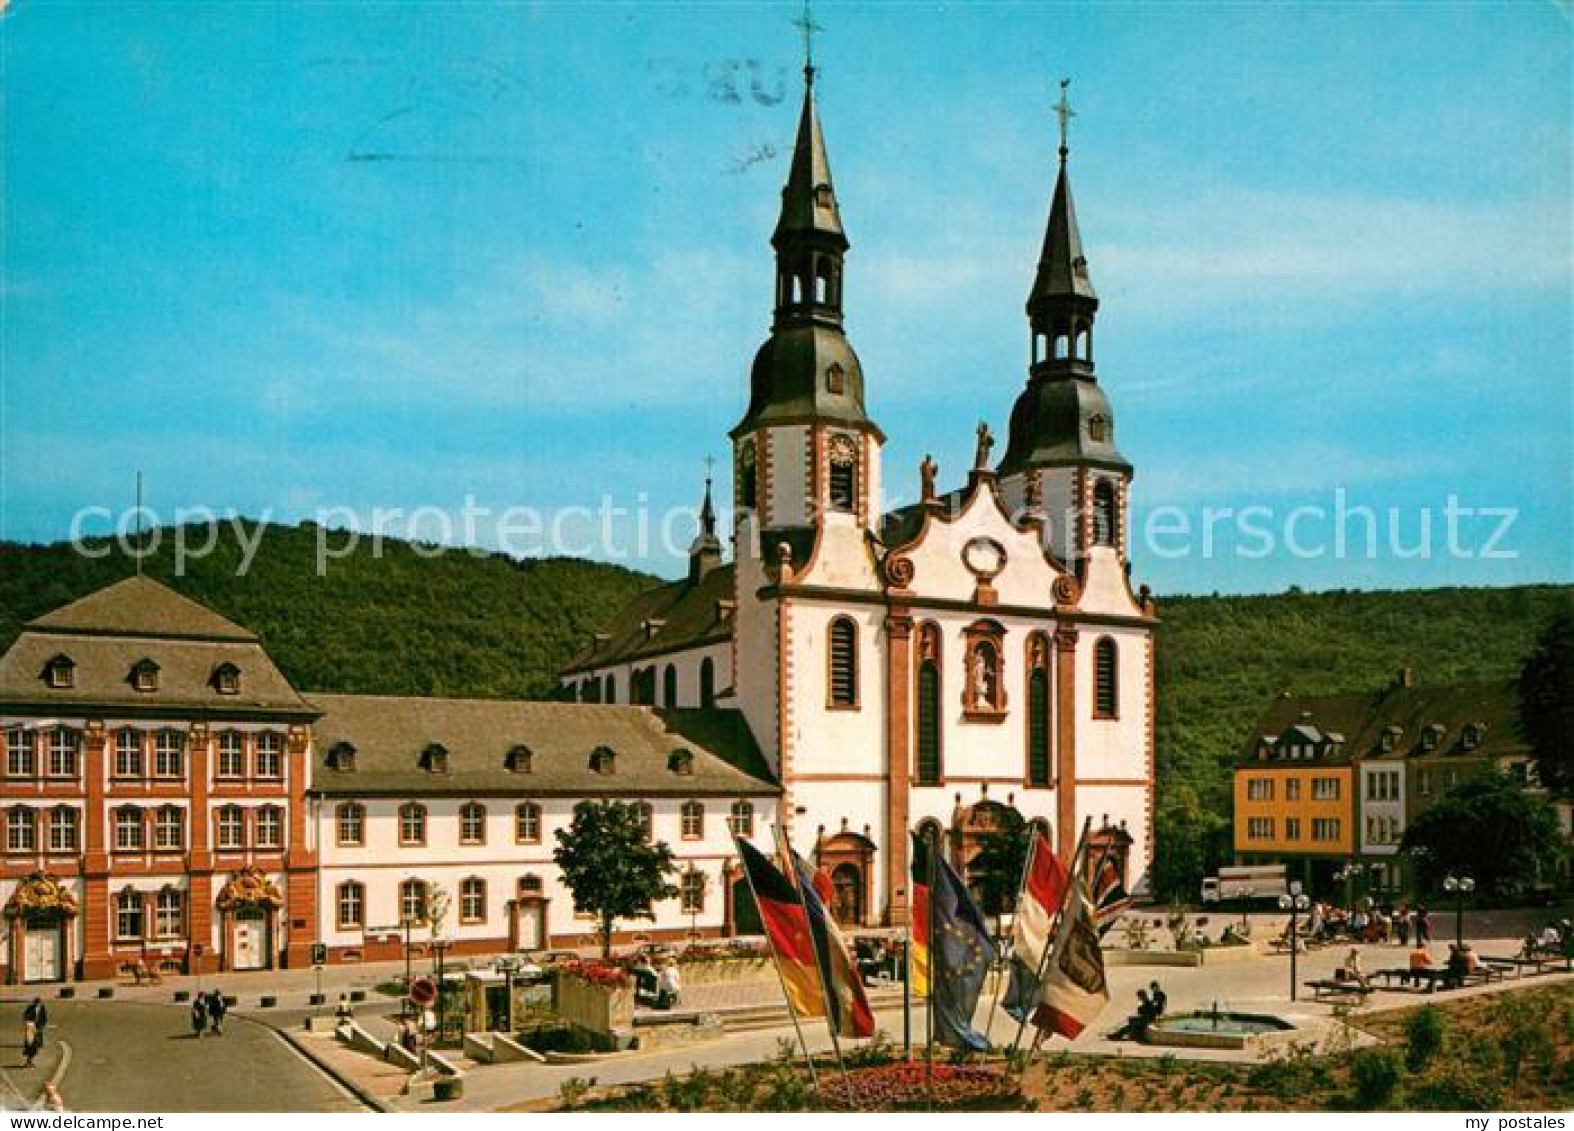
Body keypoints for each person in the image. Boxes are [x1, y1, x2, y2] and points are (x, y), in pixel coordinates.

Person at [22, 997, 47, 1068]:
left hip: (38, 1026)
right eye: (37, 1003)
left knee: (36, 1043)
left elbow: (44, 1017)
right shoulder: (30, 1008)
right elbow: (25, 1015)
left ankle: (29, 1061)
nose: (38, 1005)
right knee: (31, 1044)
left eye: (39, 1003)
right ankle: (28, 1061)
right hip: (31, 1026)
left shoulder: (42, 1008)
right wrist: (28, 1022)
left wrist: (42, 1025)